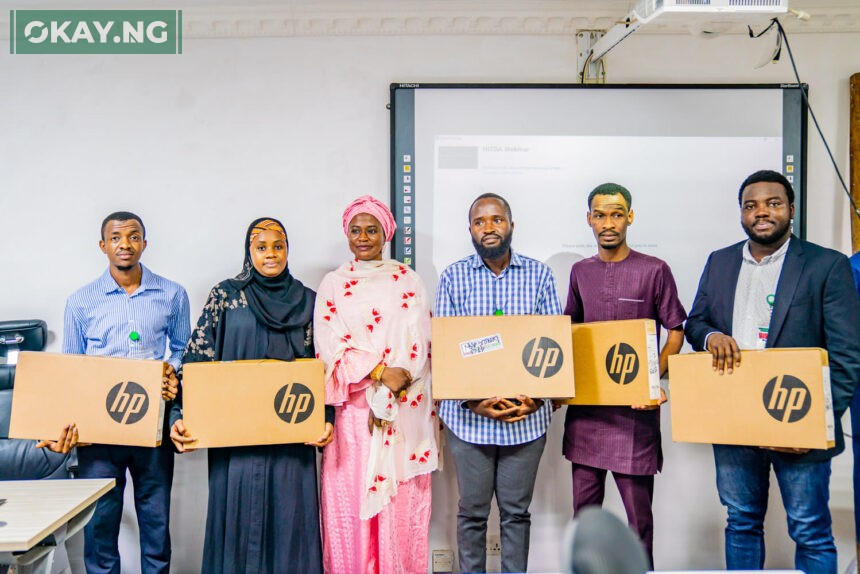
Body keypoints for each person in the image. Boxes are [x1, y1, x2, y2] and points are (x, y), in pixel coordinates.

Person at [685, 170, 860, 573]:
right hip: (734, 420)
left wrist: (813, 423)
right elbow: (696, 322)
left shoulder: (826, 265)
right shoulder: (720, 261)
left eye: (773, 203)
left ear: (791, 210)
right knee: (741, 522)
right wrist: (711, 336)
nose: (761, 212)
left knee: (810, 529)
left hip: (797, 417)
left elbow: (848, 356)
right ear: (742, 213)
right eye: (751, 205)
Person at [169, 217, 334, 574]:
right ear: (249, 252)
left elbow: (324, 368)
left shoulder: (309, 302)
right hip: (235, 443)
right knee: (236, 521)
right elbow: (196, 360)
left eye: (278, 246)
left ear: (288, 250)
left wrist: (327, 420)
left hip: (292, 441)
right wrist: (177, 415)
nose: (271, 254)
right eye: (262, 247)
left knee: (290, 524)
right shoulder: (226, 296)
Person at [38, 211, 190, 574]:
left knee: (156, 524)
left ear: (145, 243)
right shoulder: (81, 301)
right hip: (99, 431)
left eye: (134, 237)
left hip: (151, 426)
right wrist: (65, 423)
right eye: (117, 238)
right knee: (101, 525)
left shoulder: (172, 294)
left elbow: (184, 348)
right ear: (103, 245)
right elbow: (71, 367)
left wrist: (174, 370)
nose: (126, 245)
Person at [435, 192, 562, 573]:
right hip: (469, 422)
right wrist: (475, 402)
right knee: (471, 513)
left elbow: (551, 347)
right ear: (470, 229)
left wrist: (536, 401)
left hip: (526, 420)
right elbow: (446, 352)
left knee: (516, 513)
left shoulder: (539, 275)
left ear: (511, 224)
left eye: (496, 219)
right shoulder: (453, 278)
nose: (488, 228)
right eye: (479, 221)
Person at [563, 183, 686, 567]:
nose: (608, 222)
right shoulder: (580, 272)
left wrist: (652, 380)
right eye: (599, 214)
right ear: (589, 220)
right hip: (588, 416)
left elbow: (676, 330)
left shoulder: (654, 270)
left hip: (635, 416)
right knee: (584, 517)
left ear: (630, 217)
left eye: (617, 213)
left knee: (639, 523)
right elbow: (570, 334)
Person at [315, 196, 439, 574]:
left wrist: (388, 391)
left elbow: (420, 344)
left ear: (386, 233)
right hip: (354, 417)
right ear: (346, 234)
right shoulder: (333, 284)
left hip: (401, 411)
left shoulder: (407, 280)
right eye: (356, 230)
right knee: (350, 508)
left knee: (399, 512)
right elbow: (329, 346)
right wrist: (379, 372)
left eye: (372, 230)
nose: (364, 237)